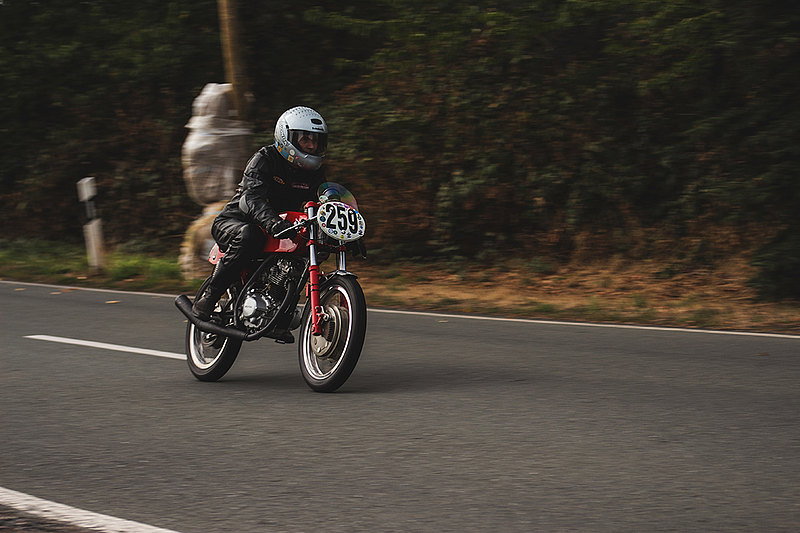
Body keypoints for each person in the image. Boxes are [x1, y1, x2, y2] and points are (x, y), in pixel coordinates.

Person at [192, 106, 329, 342]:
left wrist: (342, 229)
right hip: (235, 221)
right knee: (250, 235)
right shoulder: (265, 159)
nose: (311, 146)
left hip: (280, 228)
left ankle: (280, 311)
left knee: (305, 252)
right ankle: (210, 297)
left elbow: (324, 203)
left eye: (315, 140)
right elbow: (250, 199)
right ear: (286, 137)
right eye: (305, 139)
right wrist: (273, 223)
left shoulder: (315, 174)